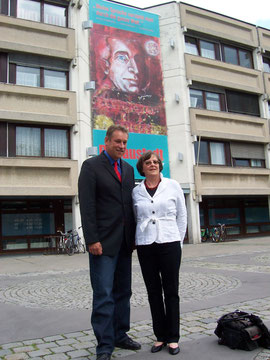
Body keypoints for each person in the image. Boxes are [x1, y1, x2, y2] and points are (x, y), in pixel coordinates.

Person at [78, 125, 141, 360]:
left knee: (124, 292)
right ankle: (105, 344)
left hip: (124, 243)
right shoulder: (91, 166)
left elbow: (128, 206)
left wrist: (134, 238)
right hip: (102, 244)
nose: (122, 146)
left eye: (125, 142)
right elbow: (87, 206)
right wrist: (92, 239)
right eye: (117, 141)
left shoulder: (128, 169)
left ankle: (120, 334)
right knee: (103, 294)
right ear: (107, 141)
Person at [132, 151, 187, 355]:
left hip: (170, 242)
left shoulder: (172, 185)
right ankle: (160, 336)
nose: (153, 164)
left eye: (156, 162)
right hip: (146, 244)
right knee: (153, 292)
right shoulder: (136, 191)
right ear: (142, 167)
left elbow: (182, 216)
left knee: (171, 291)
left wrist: (178, 241)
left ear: (160, 165)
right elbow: (136, 217)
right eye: (148, 162)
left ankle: (173, 337)